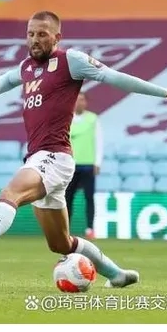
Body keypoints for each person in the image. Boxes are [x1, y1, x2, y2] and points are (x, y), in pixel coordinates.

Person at [0, 10, 167, 289]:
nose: (35, 40)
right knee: (60, 244)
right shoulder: (27, 66)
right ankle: (117, 274)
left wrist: (165, 92)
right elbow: (7, 78)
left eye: (42, 34)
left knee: (10, 194)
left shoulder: (71, 61)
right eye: (30, 34)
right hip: (40, 157)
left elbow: (115, 77)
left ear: (57, 37)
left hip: (54, 156)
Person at [66, 92, 103, 239]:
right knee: (67, 198)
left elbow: (98, 141)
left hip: (88, 164)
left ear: (86, 102)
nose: (79, 103)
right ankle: (65, 229)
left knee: (89, 198)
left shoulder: (93, 119)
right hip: (70, 165)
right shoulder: (66, 118)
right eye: (76, 100)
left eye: (81, 100)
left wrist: (97, 162)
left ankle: (90, 229)